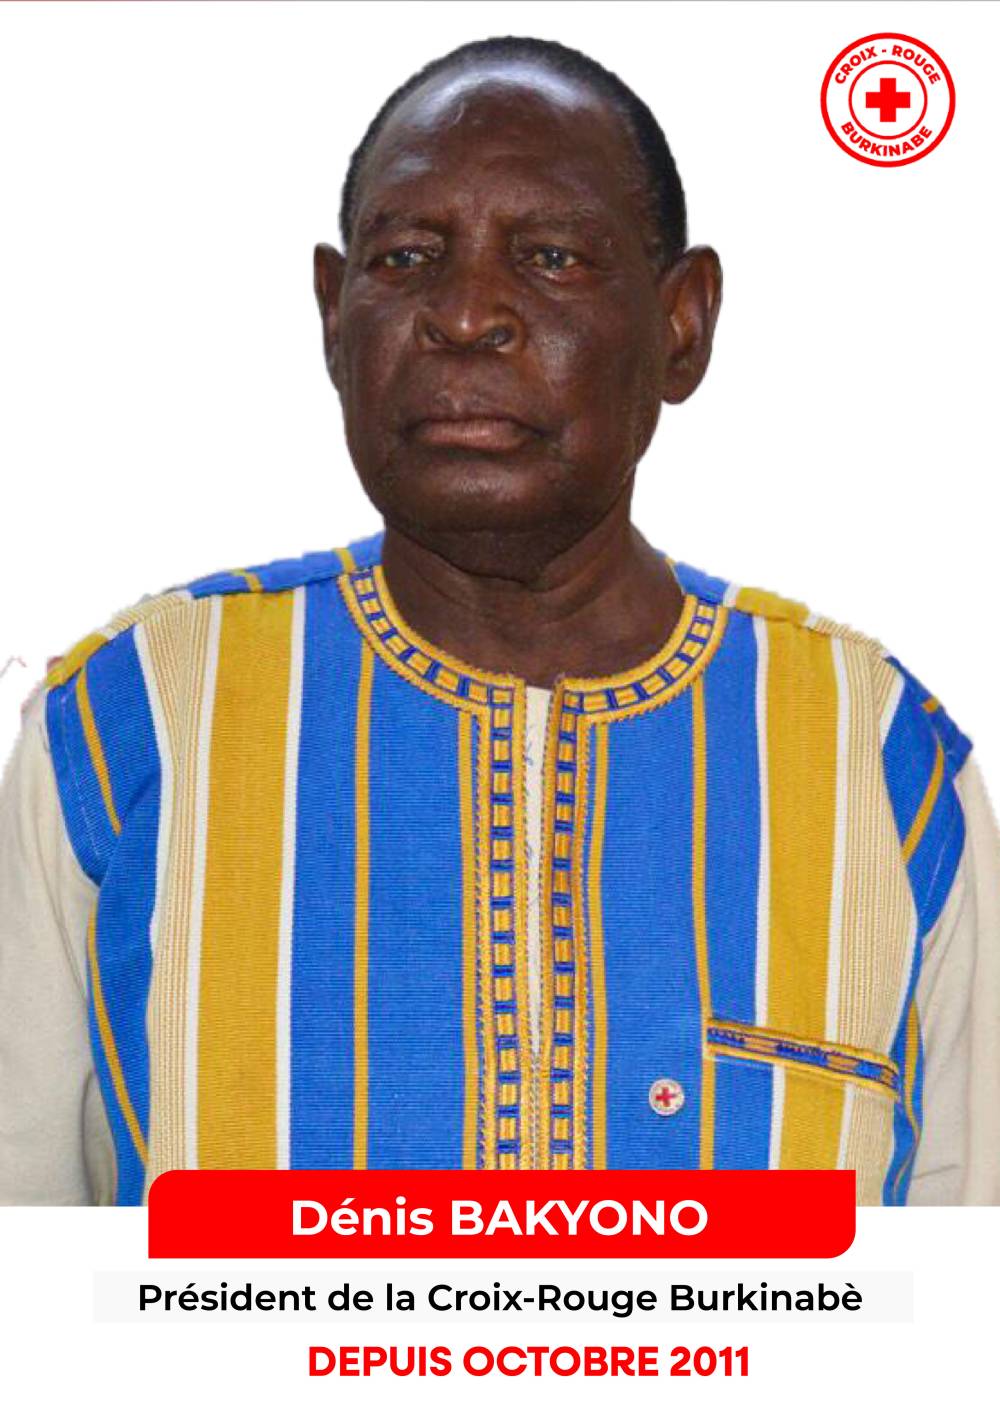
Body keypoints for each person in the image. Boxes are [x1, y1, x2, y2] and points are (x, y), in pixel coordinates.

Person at [1, 36, 998, 1206]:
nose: (466, 314)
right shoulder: (133, 727)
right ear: (333, 319)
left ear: (682, 326)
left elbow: (959, 1282)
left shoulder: (876, 758)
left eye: (552, 258)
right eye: (407, 259)